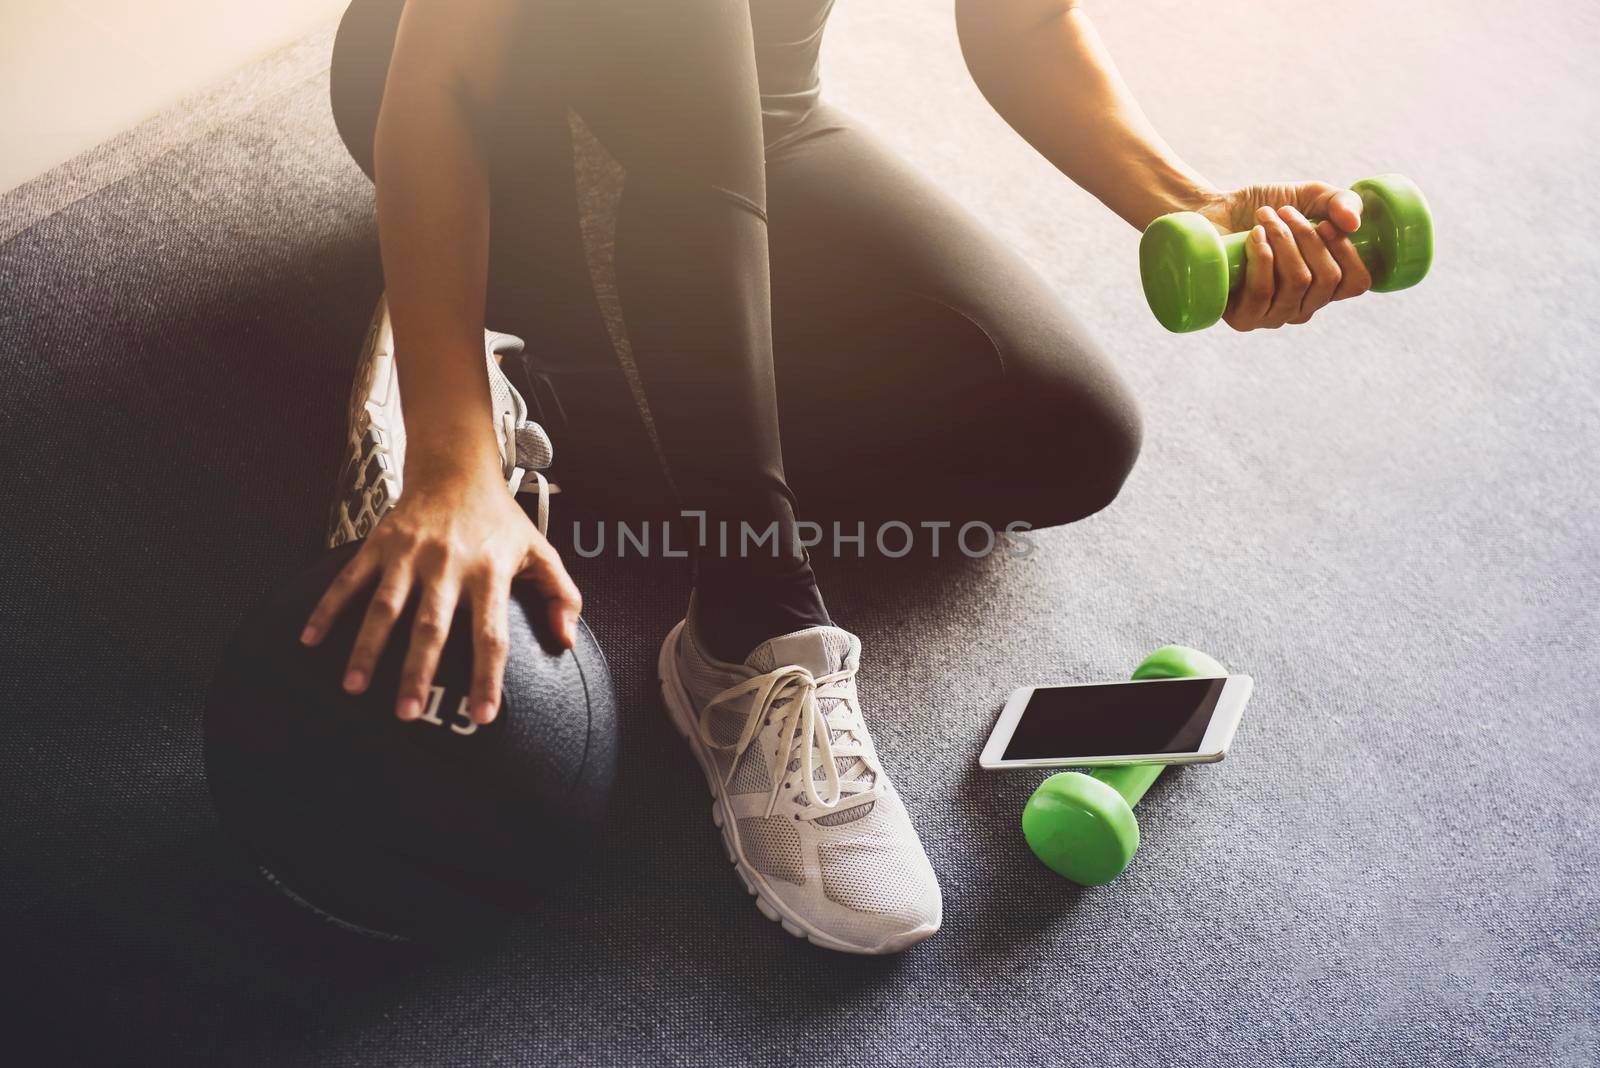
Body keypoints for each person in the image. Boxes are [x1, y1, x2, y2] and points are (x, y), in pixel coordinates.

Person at [301, 0, 1373, 954]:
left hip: (752, 120)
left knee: (1062, 433)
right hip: (496, 106)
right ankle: (750, 625)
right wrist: (450, 459)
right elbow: (439, 69)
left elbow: (1023, 19)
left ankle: (551, 393)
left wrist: (1186, 206)